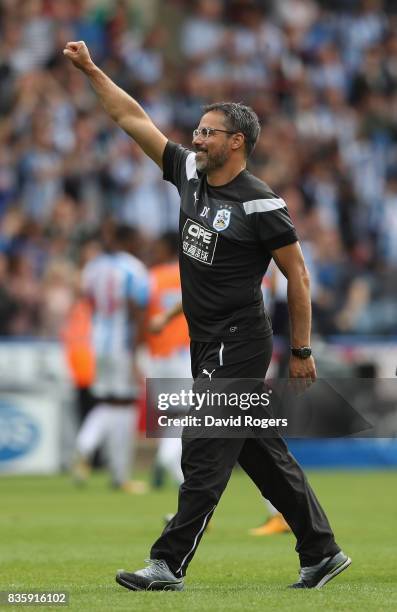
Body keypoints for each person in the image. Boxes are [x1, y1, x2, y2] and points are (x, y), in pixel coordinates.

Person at [64, 40, 351, 591]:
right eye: (196, 130)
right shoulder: (189, 173)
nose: (196, 138)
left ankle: (167, 563)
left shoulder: (261, 203)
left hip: (240, 341)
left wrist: (301, 350)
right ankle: (322, 551)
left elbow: (299, 276)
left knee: (201, 446)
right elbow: (130, 116)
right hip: (205, 341)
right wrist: (91, 69)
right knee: (260, 453)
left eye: (208, 131)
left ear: (236, 142)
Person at [73, 224, 149, 493]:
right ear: (128, 241)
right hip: (122, 344)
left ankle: (86, 443)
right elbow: (137, 309)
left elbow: (89, 302)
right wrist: (137, 349)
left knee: (108, 401)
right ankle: (119, 473)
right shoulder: (132, 268)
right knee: (125, 404)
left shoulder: (92, 268)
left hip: (98, 341)